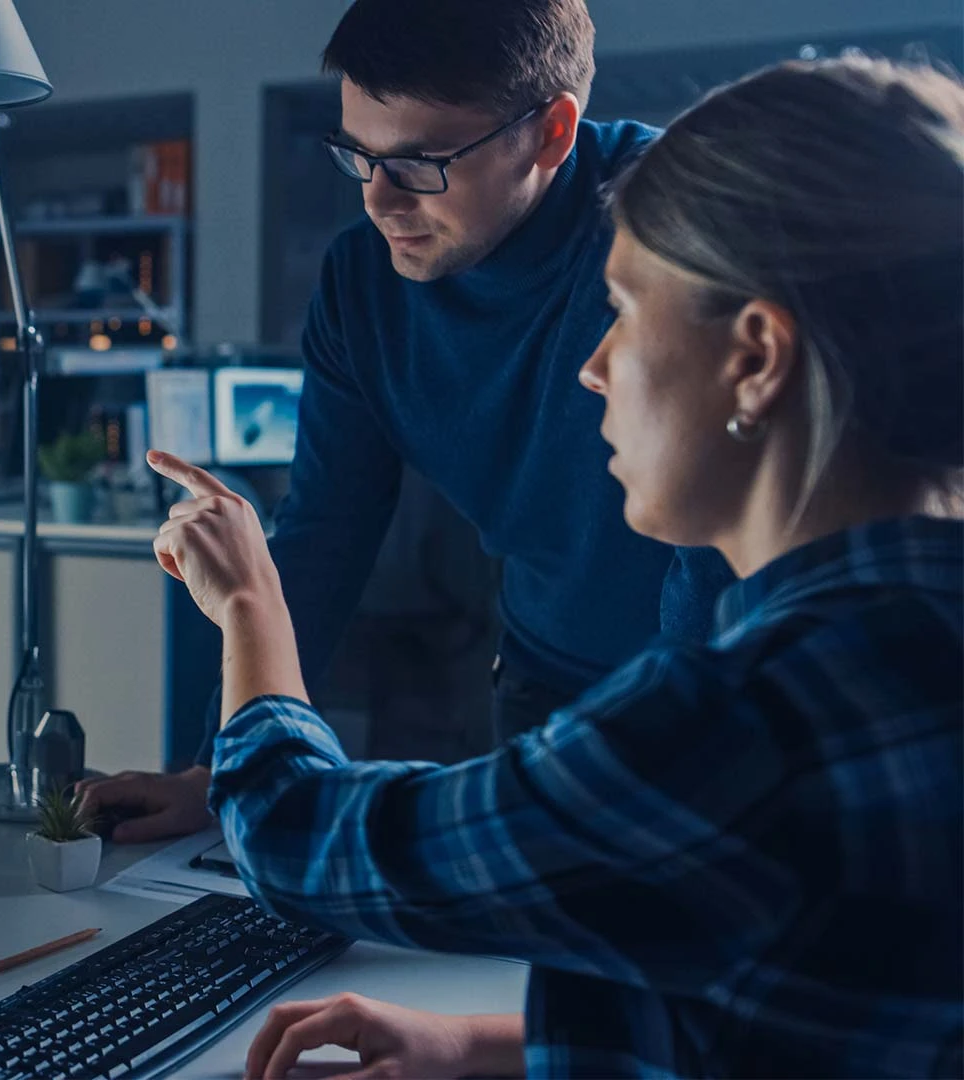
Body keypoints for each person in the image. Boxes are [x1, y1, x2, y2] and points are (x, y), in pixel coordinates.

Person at [150, 56, 962, 1079]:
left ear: (757, 358)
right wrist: (482, 1044)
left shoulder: (733, 731)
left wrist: (247, 601)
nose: (594, 365)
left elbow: (295, 837)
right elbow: (794, 999)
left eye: (626, 310)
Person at [78, 0, 735, 843]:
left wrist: (687, 749)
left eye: (421, 164)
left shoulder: (678, 230)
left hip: (710, 683)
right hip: (542, 680)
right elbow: (326, 529)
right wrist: (215, 768)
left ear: (551, 133)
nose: (380, 202)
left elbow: (717, 544)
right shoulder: (362, 287)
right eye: (359, 156)